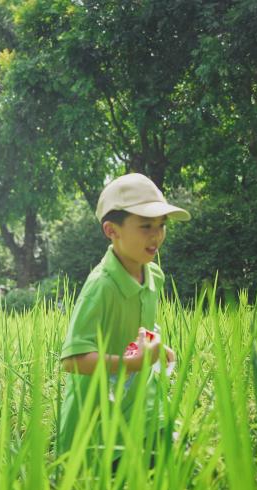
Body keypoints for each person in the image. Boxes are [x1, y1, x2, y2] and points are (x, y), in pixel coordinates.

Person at [57, 173, 190, 462]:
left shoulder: (152, 273)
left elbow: (143, 326)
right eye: (145, 226)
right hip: (98, 417)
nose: (156, 236)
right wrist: (131, 363)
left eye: (161, 226)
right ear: (111, 230)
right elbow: (73, 359)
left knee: (175, 461)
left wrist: (155, 344)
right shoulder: (101, 286)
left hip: (141, 403)